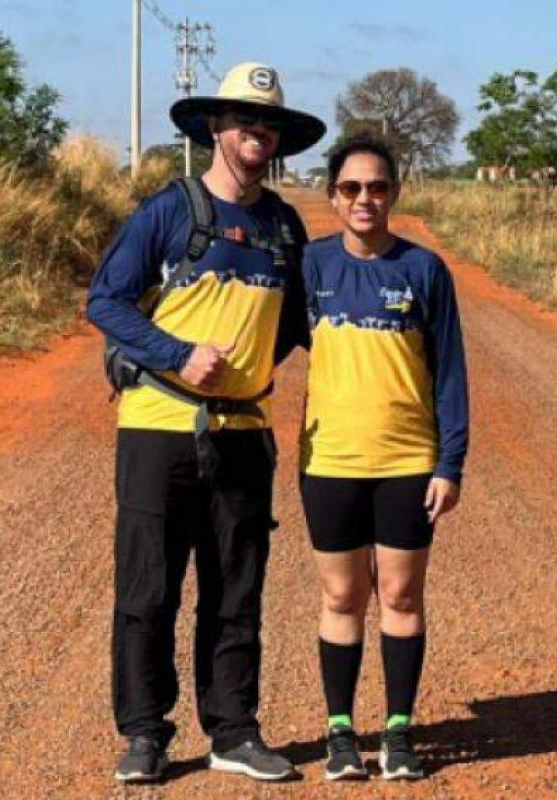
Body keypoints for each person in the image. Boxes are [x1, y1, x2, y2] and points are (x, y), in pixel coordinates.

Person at [86, 62, 325, 783]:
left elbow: (298, 322)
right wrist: (177, 355)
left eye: (269, 123)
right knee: (147, 589)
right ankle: (143, 734)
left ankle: (234, 731)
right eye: (244, 119)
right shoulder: (170, 212)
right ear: (214, 128)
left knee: (237, 588)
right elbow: (106, 301)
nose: (258, 132)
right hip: (159, 425)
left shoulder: (283, 224)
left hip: (247, 432)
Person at [298, 135, 470, 780]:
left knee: (400, 594)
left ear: (393, 193)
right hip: (331, 459)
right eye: (350, 188)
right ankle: (341, 732)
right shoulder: (310, 268)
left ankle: (399, 730)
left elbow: (450, 370)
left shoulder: (424, 271)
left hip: (406, 460)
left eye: (376, 187)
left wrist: (449, 462)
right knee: (342, 597)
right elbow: (266, 337)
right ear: (332, 196)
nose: (363, 199)